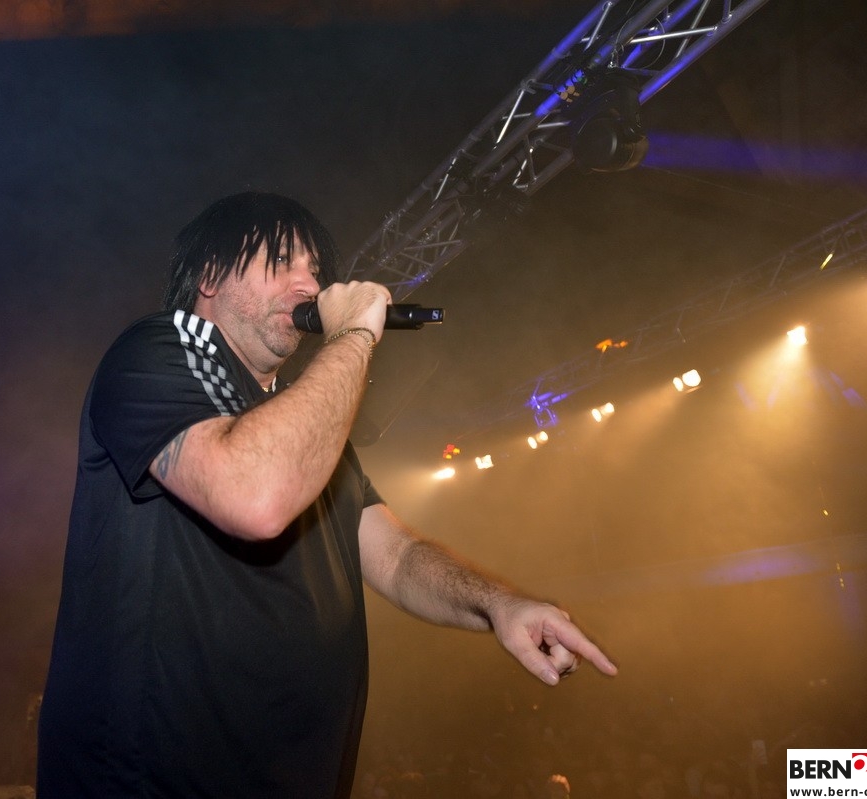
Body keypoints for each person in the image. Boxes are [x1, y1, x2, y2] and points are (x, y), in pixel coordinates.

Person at [36, 191, 617, 798]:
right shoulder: (159, 349)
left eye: (314, 270)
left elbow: (397, 558)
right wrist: (354, 336)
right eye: (281, 261)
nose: (309, 285)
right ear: (209, 276)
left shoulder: (307, 428)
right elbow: (253, 496)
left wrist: (499, 604)